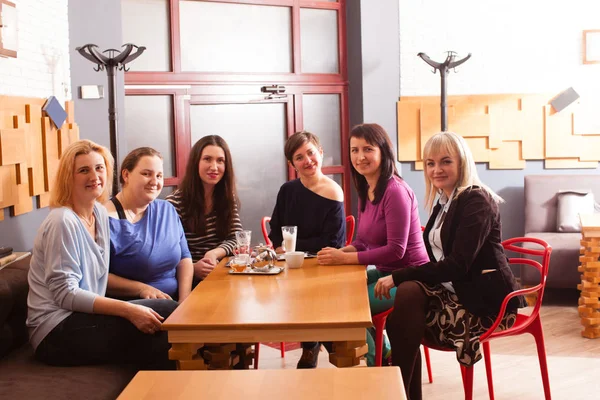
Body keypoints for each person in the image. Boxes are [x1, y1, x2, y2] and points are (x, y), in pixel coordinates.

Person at [374, 131, 526, 400]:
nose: (436, 169)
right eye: (430, 163)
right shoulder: (444, 201)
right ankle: (402, 395)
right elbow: (435, 259)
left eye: (445, 161)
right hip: (453, 291)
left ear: (462, 163)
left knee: (404, 308)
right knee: (404, 309)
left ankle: (397, 393)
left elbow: (457, 265)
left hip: (483, 301)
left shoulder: (477, 200)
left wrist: (398, 276)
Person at [27, 139, 177, 369]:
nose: (94, 176)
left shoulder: (98, 212)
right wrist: (129, 310)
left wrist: (136, 302)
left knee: (161, 326)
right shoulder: (62, 221)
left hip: (84, 317)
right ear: (69, 177)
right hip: (55, 330)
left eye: (99, 168)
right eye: (83, 170)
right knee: (167, 314)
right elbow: (65, 295)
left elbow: (99, 277)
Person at [317, 123, 429, 366]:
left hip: (410, 280)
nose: (360, 157)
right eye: (354, 150)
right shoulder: (367, 188)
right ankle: (383, 353)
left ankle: (378, 361)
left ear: (383, 152)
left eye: (367, 149)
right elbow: (362, 242)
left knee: (346, 306)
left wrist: (344, 259)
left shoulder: (395, 191)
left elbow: (396, 250)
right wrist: (340, 252)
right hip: (386, 272)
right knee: (330, 298)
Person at [268, 130, 346, 368]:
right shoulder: (287, 190)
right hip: (291, 267)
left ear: (320, 153)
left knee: (313, 295)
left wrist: (290, 246)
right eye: (299, 157)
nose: (307, 160)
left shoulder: (333, 191)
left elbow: (332, 243)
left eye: (310, 152)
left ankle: (317, 345)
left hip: (323, 266)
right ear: (292, 164)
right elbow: (275, 231)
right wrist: (286, 248)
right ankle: (315, 343)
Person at [104, 147, 193, 302]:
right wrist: (142, 289)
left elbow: (184, 258)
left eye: (159, 176)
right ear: (126, 175)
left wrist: (185, 300)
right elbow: (97, 277)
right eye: (146, 174)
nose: (154, 182)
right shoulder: (103, 219)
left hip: (175, 301)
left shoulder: (167, 209)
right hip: (134, 307)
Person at [166, 135, 242, 283]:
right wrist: (193, 268)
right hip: (188, 281)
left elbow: (237, 238)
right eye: (207, 159)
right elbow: (167, 256)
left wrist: (213, 253)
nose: (214, 167)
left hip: (222, 273)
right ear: (196, 163)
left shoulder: (226, 197)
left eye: (220, 161)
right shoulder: (174, 203)